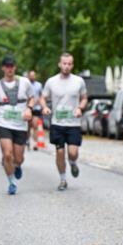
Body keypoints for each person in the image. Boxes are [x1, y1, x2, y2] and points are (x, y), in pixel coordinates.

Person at [0, 56, 35, 195]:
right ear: (3, 68)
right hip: (4, 123)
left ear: (15, 67)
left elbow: (32, 97)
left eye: (12, 66)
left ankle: (17, 165)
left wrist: (29, 109)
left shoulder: (25, 82)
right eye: (7, 66)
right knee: (7, 155)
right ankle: (12, 182)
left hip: (20, 124)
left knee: (18, 158)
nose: (9, 69)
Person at [41, 53, 88, 191]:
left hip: (73, 123)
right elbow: (43, 97)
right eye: (64, 63)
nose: (66, 66)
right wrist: (44, 107)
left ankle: (73, 162)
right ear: (59, 64)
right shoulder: (51, 81)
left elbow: (85, 98)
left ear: (72, 65)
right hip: (57, 123)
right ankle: (62, 180)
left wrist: (80, 107)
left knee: (72, 152)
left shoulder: (79, 81)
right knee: (60, 153)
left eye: (69, 64)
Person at [27, 69, 43, 150]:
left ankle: (35, 143)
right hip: (28, 108)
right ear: (29, 76)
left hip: (36, 108)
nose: (32, 77)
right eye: (31, 75)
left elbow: (41, 96)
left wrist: (39, 102)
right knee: (28, 126)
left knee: (35, 125)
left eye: (34, 75)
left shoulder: (39, 85)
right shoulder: (26, 84)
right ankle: (28, 141)